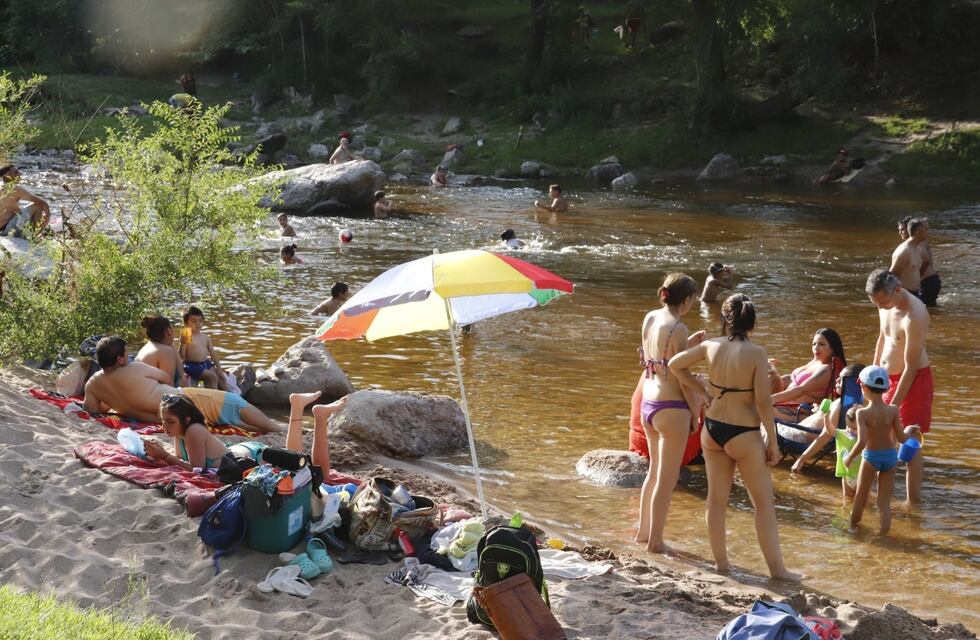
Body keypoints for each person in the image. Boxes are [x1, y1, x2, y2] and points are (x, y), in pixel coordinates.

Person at [669, 294, 799, 580]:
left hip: (713, 429)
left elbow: (675, 365)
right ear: (752, 323)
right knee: (763, 504)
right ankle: (778, 571)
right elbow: (764, 403)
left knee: (716, 501)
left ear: (725, 321)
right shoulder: (757, 353)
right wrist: (773, 441)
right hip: (744, 433)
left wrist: (702, 391)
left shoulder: (710, 345)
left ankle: (722, 565)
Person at [635, 273, 705, 553]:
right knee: (668, 478)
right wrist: (695, 408)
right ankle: (656, 542)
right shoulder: (680, 328)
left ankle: (642, 533)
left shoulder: (651, 317)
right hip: (671, 407)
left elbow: (654, 359)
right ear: (686, 300)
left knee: (654, 474)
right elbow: (680, 374)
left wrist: (688, 346)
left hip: (648, 403)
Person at [83, 336, 283, 432]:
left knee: (230, 418)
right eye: (126, 353)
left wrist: (116, 400)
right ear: (119, 359)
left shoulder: (93, 384)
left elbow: (92, 409)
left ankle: (270, 427)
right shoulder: (133, 368)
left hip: (166, 418)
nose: (128, 356)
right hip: (182, 401)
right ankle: (278, 429)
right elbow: (164, 377)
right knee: (234, 402)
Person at [143, 391, 345, 473]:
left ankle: (315, 416)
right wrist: (162, 455)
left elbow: (196, 469)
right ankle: (300, 408)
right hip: (238, 454)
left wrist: (165, 456)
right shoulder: (181, 432)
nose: (164, 427)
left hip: (248, 456)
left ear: (186, 419)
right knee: (304, 469)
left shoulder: (194, 430)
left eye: (169, 421)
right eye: (163, 421)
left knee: (310, 472)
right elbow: (183, 461)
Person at [866, 268, 931, 503]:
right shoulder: (884, 304)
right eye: (876, 303)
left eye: (883, 302)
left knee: (909, 441)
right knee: (881, 437)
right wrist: (871, 378)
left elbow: (910, 368)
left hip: (913, 381)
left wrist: (891, 408)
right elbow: (882, 338)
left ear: (897, 289)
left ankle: (912, 503)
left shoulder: (915, 314)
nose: (880, 307)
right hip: (884, 379)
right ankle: (881, 496)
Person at [844, 365, 921, 534]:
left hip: (871, 457)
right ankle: (883, 533)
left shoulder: (862, 413)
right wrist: (908, 431)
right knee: (884, 502)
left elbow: (862, 441)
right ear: (885, 388)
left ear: (863, 387)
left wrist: (849, 458)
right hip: (890, 458)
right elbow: (901, 438)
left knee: (860, 498)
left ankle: (852, 529)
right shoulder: (893, 410)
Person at [787, 362, 865, 475]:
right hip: (805, 430)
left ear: (851, 384)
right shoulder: (859, 405)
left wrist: (802, 459)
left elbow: (825, 436)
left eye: (841, 379)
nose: (837, 381)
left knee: (765, 429)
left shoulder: (839, 405)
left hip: (798, 436)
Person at [769, 328, 846, 421]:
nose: (816, 348)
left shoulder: (826, 370)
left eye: (821, 344)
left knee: (758, 409)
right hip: (787, 403)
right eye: (814, 344)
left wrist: (769, 399)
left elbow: (801, 390)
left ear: (833, 348)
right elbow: (793, 378)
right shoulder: (817, 361)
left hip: (801, 411)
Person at [179, 305, 227, 390]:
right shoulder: (187, 335)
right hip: (191, 365)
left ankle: (229, 399)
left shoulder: (205, 337)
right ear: (186, 323)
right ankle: (213, 400)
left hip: (206, 363)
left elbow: (213, 353)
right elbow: (182, 356)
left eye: (200, 321)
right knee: (212, 377)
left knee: (221, 379)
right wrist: (182, 343)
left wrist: (219, 369)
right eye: (194, 321)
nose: (198, 324)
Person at [0, 165, 51, 237]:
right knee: (37, 206)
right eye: (16, 172)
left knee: (28, 212)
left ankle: (33, 234)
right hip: (7, 229)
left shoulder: (1, 186)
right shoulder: (15, 188)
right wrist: (48, 215)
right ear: (7, 176)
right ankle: (34, 237)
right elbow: (41, 203)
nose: (19, 174)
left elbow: (12, 210)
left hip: (3, 228)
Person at [135, 316, 183, 388]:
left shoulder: (150, 346)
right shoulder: (165, 351)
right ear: (169, 331)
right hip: (150, 395)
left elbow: (181, 373)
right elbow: (169, 386)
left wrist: (172, 345)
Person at [889, 217, 928, 296]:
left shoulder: (918, 248)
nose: (927, 232)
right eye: (925, 230)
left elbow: (926, 262)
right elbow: (891, 275)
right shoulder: (904, 251)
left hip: (916, 293)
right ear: (917, 232)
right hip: (904, 295)